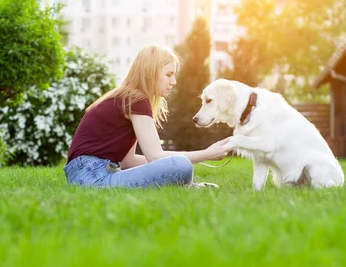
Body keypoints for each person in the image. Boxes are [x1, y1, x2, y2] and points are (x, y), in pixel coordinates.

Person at [63, 44, 233, 189]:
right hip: (93, 175)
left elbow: (128, 161)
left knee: (176, 165)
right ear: (151, 72)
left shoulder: (128, 98)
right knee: (181, 165)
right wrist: (207, 153)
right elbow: (155, 156)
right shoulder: (136, 99)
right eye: (168, 75)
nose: (173, 81)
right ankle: (190, 188)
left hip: (86, 174)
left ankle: (187, 187)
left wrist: (165, 166)